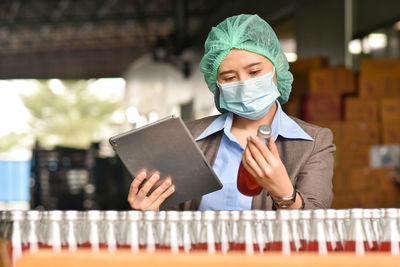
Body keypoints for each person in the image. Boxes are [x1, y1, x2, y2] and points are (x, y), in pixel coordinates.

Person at [127, 14, 335, 211]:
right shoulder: (188, 138)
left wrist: (285, 194)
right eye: (229, 78)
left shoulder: (313, 142)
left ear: (277, 67)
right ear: (216, 84)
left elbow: (317, 225)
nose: (244, 84)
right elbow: (171, 216)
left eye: (254, 72)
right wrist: (149, 213)